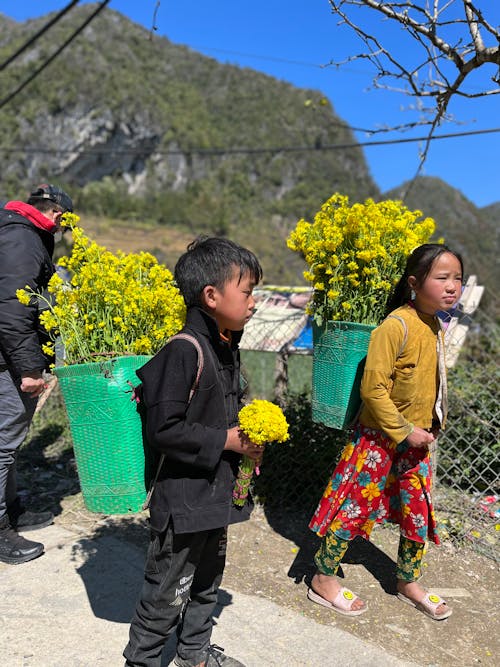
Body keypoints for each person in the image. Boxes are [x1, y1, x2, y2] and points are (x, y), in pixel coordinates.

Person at [124, 236, 264, 667]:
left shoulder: (225, 350)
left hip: (213, 498)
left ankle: (195, 656)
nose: (254, 302)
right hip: (182, 503)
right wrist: (226, 440)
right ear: (211, 295)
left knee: (206, 584)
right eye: (247, 291)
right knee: (167, 591)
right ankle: (141, 661)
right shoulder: (183, 351)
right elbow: (164, 430)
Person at [307, 243, 463, 621]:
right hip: (378, 439)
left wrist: (429, 425)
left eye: (457, 278)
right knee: (354, 508)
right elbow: (373, 390)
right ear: (414, 282)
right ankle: (323, 578)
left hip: (417, 440)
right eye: (442, 278)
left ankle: (408, 581)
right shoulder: (395, 327)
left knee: (417, 512)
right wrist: (404, 429)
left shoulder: (434, 326)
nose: (452, 286)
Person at [0, 184, 74, 565]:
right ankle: (1, 531)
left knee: (6, 443)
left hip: (6, 357)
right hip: (8, 362)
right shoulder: (25, 240)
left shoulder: (12, 228)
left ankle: (11, 510)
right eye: (64, 225)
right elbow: (14, 310)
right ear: (58, 215)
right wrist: (28, 369)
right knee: (3, 443)